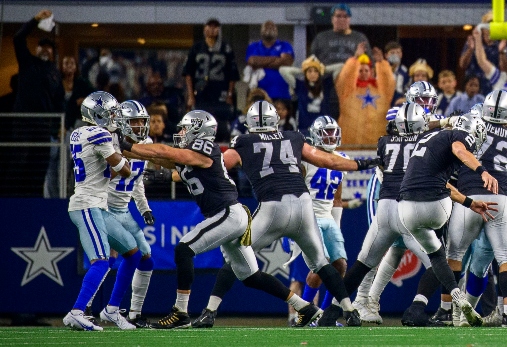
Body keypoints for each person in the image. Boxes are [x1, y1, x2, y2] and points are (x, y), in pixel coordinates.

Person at [124, 112, 322, 329]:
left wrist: (128, 144)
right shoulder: (191, 154)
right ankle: (305, 306)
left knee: (183, 250)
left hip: (227, 213)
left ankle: (180, 312)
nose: (180, 133)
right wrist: (124, 150)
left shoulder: (205, 149)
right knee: (251, 276)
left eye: (184, 129)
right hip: (230, 215)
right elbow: (162, 159)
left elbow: (164, 151)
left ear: (199, 131)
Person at [197, 101, 368, 327]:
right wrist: (364, 163)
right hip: (303, 207)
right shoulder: (293, 137)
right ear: (274, 120)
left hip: (273, 208)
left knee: (236, 255)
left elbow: (219, 166)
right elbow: (327, 160)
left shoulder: (244, 141)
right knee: (322, 264)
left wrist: (191, 170)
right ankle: (349, 310)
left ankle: (210, 311)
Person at [339, 106, 499, 326]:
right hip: (431, 203)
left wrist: (470, 203)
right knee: (437, 259)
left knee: (371, 259)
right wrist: (481, 171)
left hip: (398, 205)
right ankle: (434, 303)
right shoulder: (450, 137)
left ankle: (344, 308)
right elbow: (458, 154)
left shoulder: (398, 141)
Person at [446, 92, 507, 327]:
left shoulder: (470, 125)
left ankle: (447, 311)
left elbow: (454, 151)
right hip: (500, 197)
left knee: (454, 256)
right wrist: (503, 187)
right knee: (506, 258)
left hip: (468, 196)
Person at [62, 93, 132, 331]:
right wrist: (126, 152)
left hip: (95, 203)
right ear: (98, 114)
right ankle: (78, 311)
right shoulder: (100, 134)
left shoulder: (78, 133)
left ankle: (111, 310)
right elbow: (124, 170)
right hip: (88, 205)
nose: (114, 118)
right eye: (111, 113)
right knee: (100, 261)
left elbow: (103, 173)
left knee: (131, 251)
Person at [101, 101, 156, 328]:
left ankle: (134, 313)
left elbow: (137, 181)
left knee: (146, 258)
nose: (139, 126)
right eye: (133, 121)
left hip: (123, 211)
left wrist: (144, 208)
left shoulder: (146, 144)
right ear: (122, 122)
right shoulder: (110, 142)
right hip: (103, 207)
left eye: (141, 121)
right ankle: (89, 308)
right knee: (105, 258)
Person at [9, 10, 64, 196]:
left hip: (43, 125)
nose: (45, 49)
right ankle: (12, 201)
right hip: (23, 122)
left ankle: (35, 204)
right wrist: (35, 20)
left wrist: (58, 126)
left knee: (39, 167)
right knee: (19, 163)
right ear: (37, 49)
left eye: (49, 48)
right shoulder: (27, 62)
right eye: (42, 46)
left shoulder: (55, 73)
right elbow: (18, 38)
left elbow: (59, 101)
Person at [298, 117, 349, 313]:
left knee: (340, 265)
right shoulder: (307, 159)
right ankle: (305, 313)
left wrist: (336, 225)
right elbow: (296, 191)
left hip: (327, 218)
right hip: (310, 219)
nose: (331, 136)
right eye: (326, 132)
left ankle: (326, 315)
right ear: (316, 135)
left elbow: (337, 199)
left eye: (333, 132)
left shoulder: (341, 159)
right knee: (321, 268)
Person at [183, 18, 238, 138]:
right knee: (200, 121)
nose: (212, 29)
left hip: (220, 91)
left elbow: (232, 74)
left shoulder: (226, 48)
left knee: (222, 123)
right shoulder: (196, 48)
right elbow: (188, 73)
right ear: (204, 29)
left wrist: (229, 94)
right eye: (210, 26)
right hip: (202, 92)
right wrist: (191, 96)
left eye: (215, 27)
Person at [335, 47, 396, 147]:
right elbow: (344, 78)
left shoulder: (380, 90)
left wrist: (381, 63)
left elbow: (389, 82)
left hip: (376, 144)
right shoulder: (347, 91)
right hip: (350, 145)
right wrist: (355, 59)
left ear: (371, 72)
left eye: (366, 70)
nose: (363, 73)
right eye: (360, 71)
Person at [310, 4, 369, 74]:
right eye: (338, 16)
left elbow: (370, 65)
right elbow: (311, 63)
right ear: (332, 19)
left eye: (345, 16)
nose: (342, 19)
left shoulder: (360, 38)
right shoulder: (320, 37)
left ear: (349, 19)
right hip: (326, 79)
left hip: (351, 78)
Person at [245, 21, 294, 103]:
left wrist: (261, 62)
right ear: (261, 31)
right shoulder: (253, 46)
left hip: (281, 94)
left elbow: (286, 62)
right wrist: (276, 59)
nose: (269, 28)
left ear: (277, 31)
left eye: (272, 27)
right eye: (266, 27)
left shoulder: (285, 45)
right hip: (258, 94)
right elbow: (253, 62)